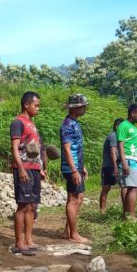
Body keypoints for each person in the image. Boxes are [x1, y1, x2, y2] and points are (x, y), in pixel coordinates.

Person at [10, 91, 46, 256]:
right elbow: (15, 147)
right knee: (23, 205)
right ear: (26, 104)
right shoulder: (17, 122)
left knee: (32, 205)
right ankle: (19, 243)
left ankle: (29, 240)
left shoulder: (31, 124)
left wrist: (40, 167)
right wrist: (21, 168)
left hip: (34, 168)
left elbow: (32, 147)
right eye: (36, 105)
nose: (38, 108)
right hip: (24, 168)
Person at [60, 93, 90, 243]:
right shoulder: (67, 125)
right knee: (74, 199)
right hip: (71, 168)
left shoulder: (74, 123)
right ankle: (74, 234)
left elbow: (76, 148)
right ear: (74, 108)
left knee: (79, 197)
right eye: (82, 106)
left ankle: (68, 230)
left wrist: (81, 167)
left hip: (77, 166)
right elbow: (67, 149)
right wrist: (73, 170)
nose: (85, 109)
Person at [117, 103, 137, 220]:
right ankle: (131, 217)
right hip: (129, 161)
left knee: (133, 188)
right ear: (133, 113)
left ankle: (127, 215)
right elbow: (120, 145)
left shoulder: (133, 127)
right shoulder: (124, 126)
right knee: (133, 188)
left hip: (135, 161)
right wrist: (124, 162)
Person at [99, 118, 125, 213]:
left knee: (124, 187)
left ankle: (125, 210)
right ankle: (102, 211)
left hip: (116, 165)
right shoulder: (114, 136)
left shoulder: (118, 136)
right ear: (117, 126)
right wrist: (115, 167)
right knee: (106, 189)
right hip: (110, 166)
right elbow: (112, 152)